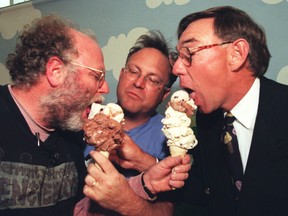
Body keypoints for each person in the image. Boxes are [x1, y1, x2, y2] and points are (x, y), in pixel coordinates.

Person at [0, 15, 191, 216]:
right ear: (56, 71)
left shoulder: (70, 131)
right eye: (96, 76)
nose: (106, 88)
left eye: (153, 80)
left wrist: (144, 184)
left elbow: (82, 208)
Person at [167, 6, 288, 216]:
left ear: (237, 54)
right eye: (177, 56)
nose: (176, 68)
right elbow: (210, 194)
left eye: (189, 53)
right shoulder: (207, 122)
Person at [84, 30, 177, 178]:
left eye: (153, 80)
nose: (139, 83)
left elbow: (177, 190)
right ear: (121, 74)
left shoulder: (171, 135)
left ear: (165, 94)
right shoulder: (84, 118)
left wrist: (143, 160)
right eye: (133, 71)